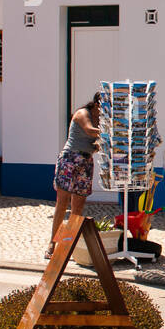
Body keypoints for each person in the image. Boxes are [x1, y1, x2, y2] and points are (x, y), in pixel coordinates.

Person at [48, 94, 101, 259]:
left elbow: (94, 142)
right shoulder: (82, 113)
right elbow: (89, 130)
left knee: (78, 206)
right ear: (97, 104)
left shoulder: (102, 119)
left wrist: (98, 146)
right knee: (62, 203)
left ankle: (67, 244)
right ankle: (52, 243)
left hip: (85, 161)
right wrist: (113, 130)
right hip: (70, 159)